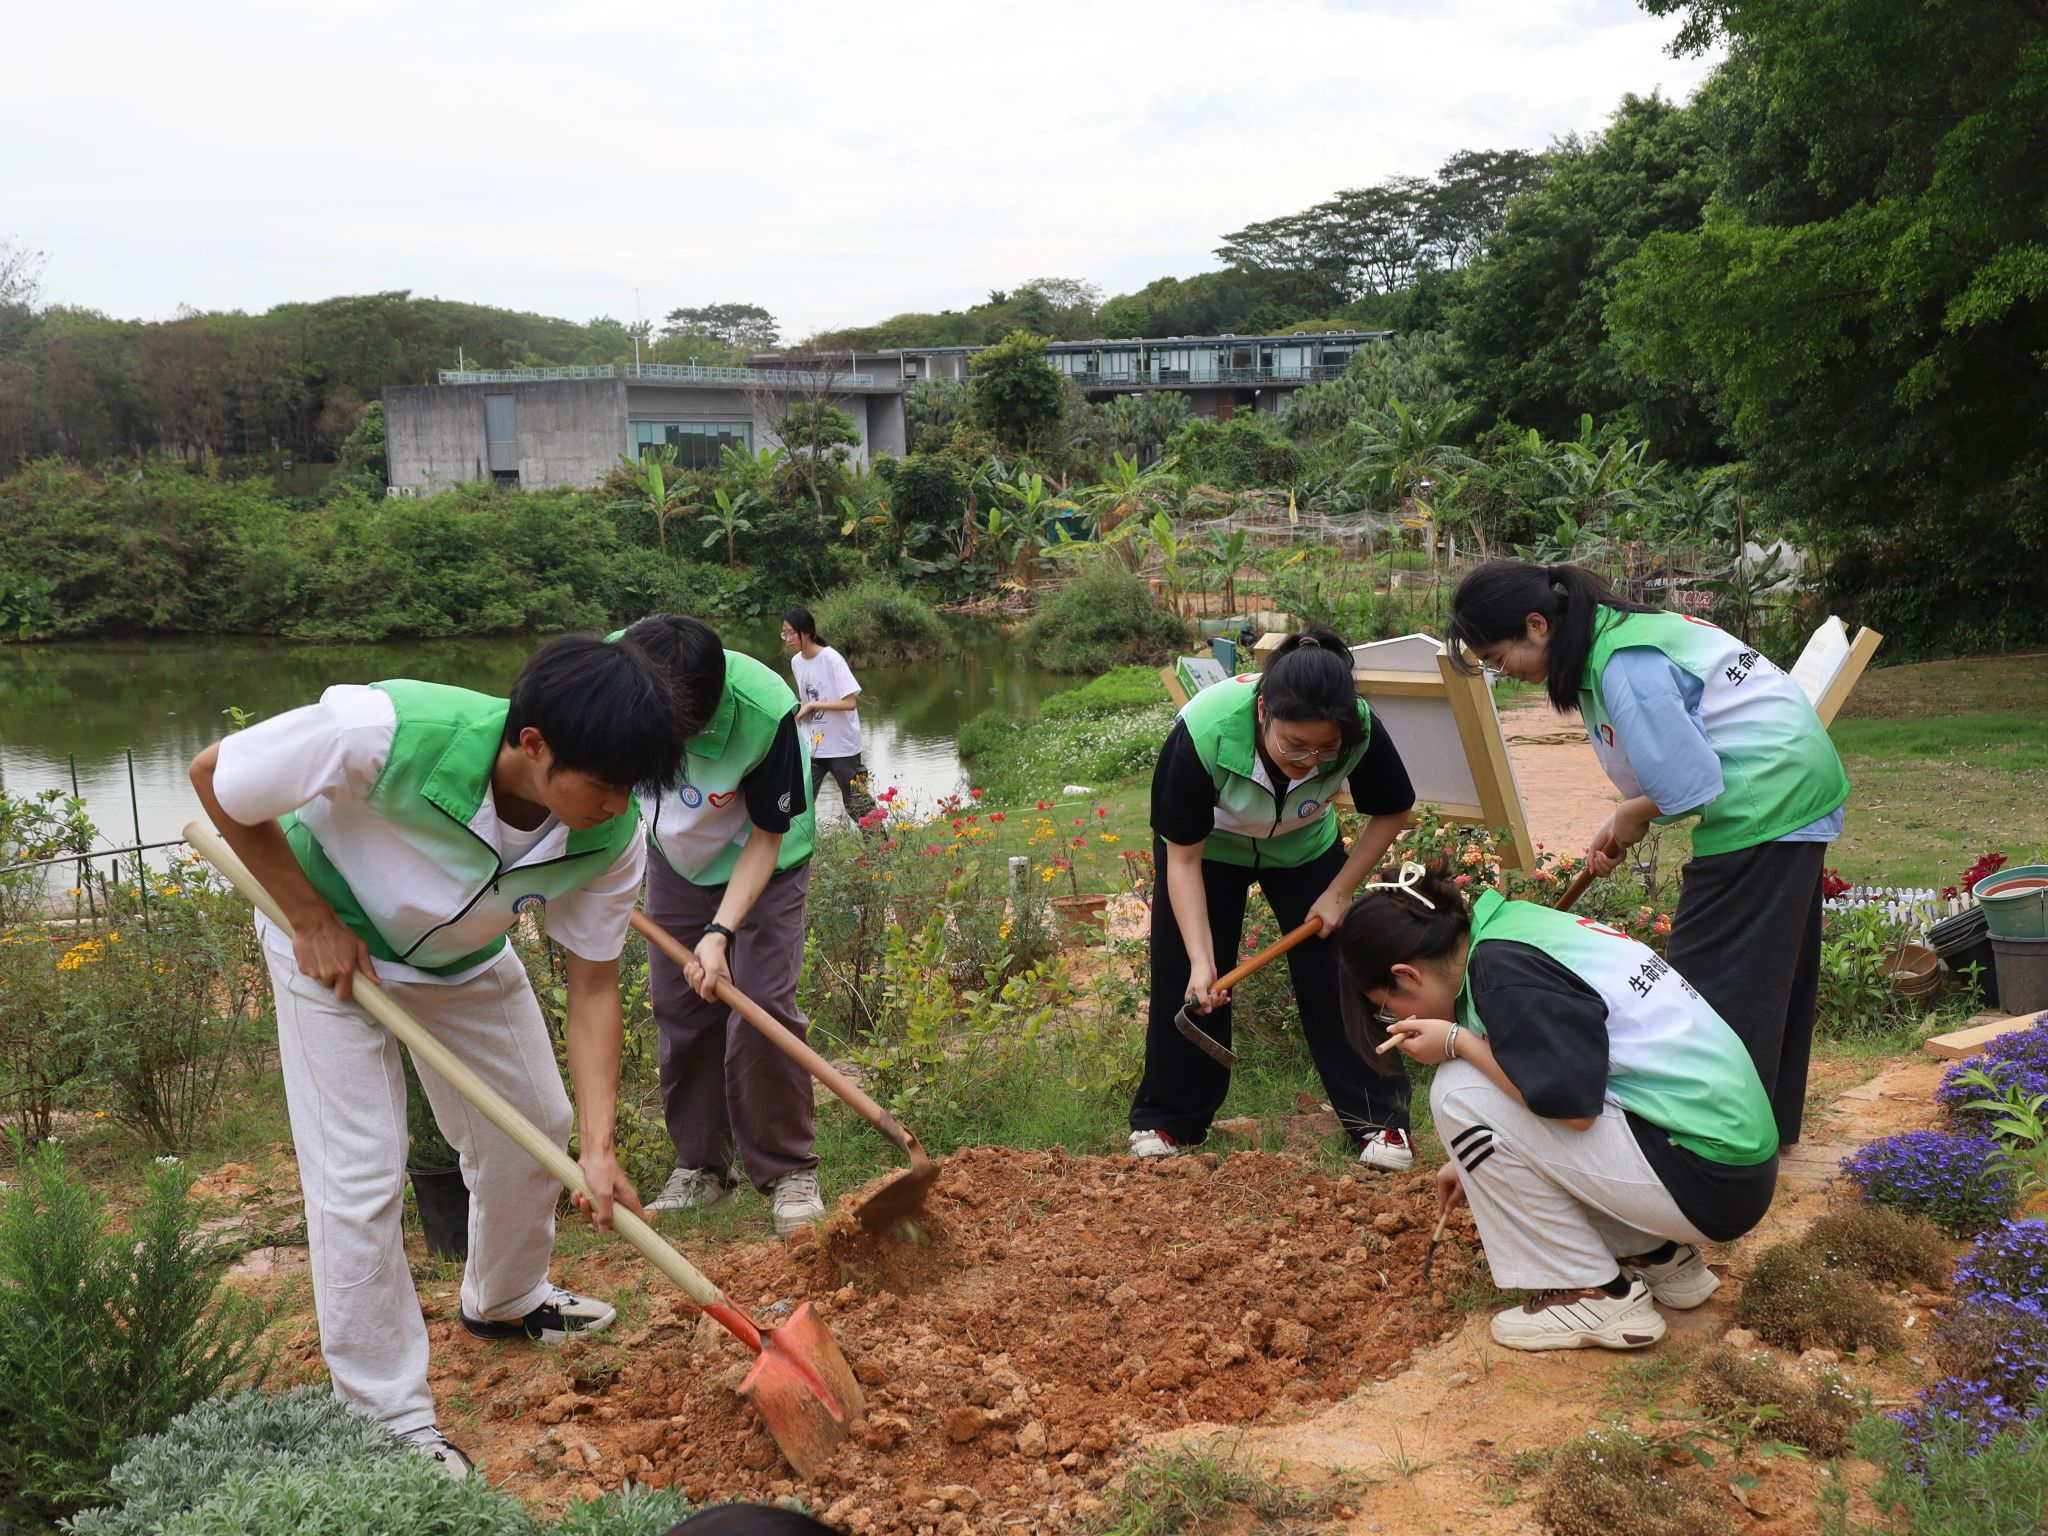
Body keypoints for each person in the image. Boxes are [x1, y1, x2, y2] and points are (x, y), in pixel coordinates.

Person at [187, 635, 685, 1478]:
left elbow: (594, 987)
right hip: (329, 945)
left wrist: (600, 1149)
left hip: (462, 960)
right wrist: (308, 917)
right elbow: (216, 775)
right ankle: (385, 1417)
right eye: (603, 786)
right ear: (534, 744)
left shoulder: (610, 837)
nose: (616, 807)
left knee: (539, 1124)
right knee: (358, 1175)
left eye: (630, 789)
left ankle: (504, 1297)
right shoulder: (384, 732)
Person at [1446, 561, 1848, 1148]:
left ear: (1536, 625)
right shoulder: (1611, 637)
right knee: (1764, 973)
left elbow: (1687, 783)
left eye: (1497, 656)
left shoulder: (1624, 660)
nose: (1503, 672)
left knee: (1705, 989)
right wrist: (1624, 816)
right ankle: (1764, 1131)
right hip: (1787, 788)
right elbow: (1668, 765)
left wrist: (1630, 815)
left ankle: (1714, 1146)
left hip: (1768, 798)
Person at [1345, 859, 1779, 1351]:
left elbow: (1573, 1111)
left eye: (1386, 1008)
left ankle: (1593, 1294)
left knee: (1457, 1090)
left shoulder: (1502, 972)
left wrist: (1457, 1042)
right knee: (1482, 1088)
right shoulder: (1510, 930)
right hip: (1726, 1162)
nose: (1394, 1020)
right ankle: (1658, 1257)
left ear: (1406, 975)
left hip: (1708, 1178)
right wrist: (1478, 1156)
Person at [1132, 626, 1419, 1168]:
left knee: (1339, 971)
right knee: (1189, 978)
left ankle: (1380, 1122)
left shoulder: (1358, 726)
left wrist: (1340, 891)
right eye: (1295, 746)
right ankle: (1168, 1121)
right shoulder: (1204, 731)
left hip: (1304, 847)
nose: (1310, 761)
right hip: (1209, 851)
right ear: (1263, 711)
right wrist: (1202, 961)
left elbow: (1393, 807)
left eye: (1326, 750)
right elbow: (1183, 860)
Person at [623, 614, 825, 1236]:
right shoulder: (614, 670)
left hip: (762, 861)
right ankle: (702, 1167)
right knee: (681, 1007)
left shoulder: (765, 714)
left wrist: (720, 932)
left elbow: (767, 836)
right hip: (675, 858)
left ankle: (789, 1171)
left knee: (760, 1006)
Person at [781, 606, 877, 825]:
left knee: (857, 803)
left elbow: (850, 703)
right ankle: (799, 847)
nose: (788, 639)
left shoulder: (831, 659)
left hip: (842, 746)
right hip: (813, 745)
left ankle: (880, 845)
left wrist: (813, 705)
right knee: (800, 801)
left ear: (806, 631)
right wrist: (796, 716)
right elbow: (806, 701)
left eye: (791, 633)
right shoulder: (797, 662)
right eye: (784, 634)